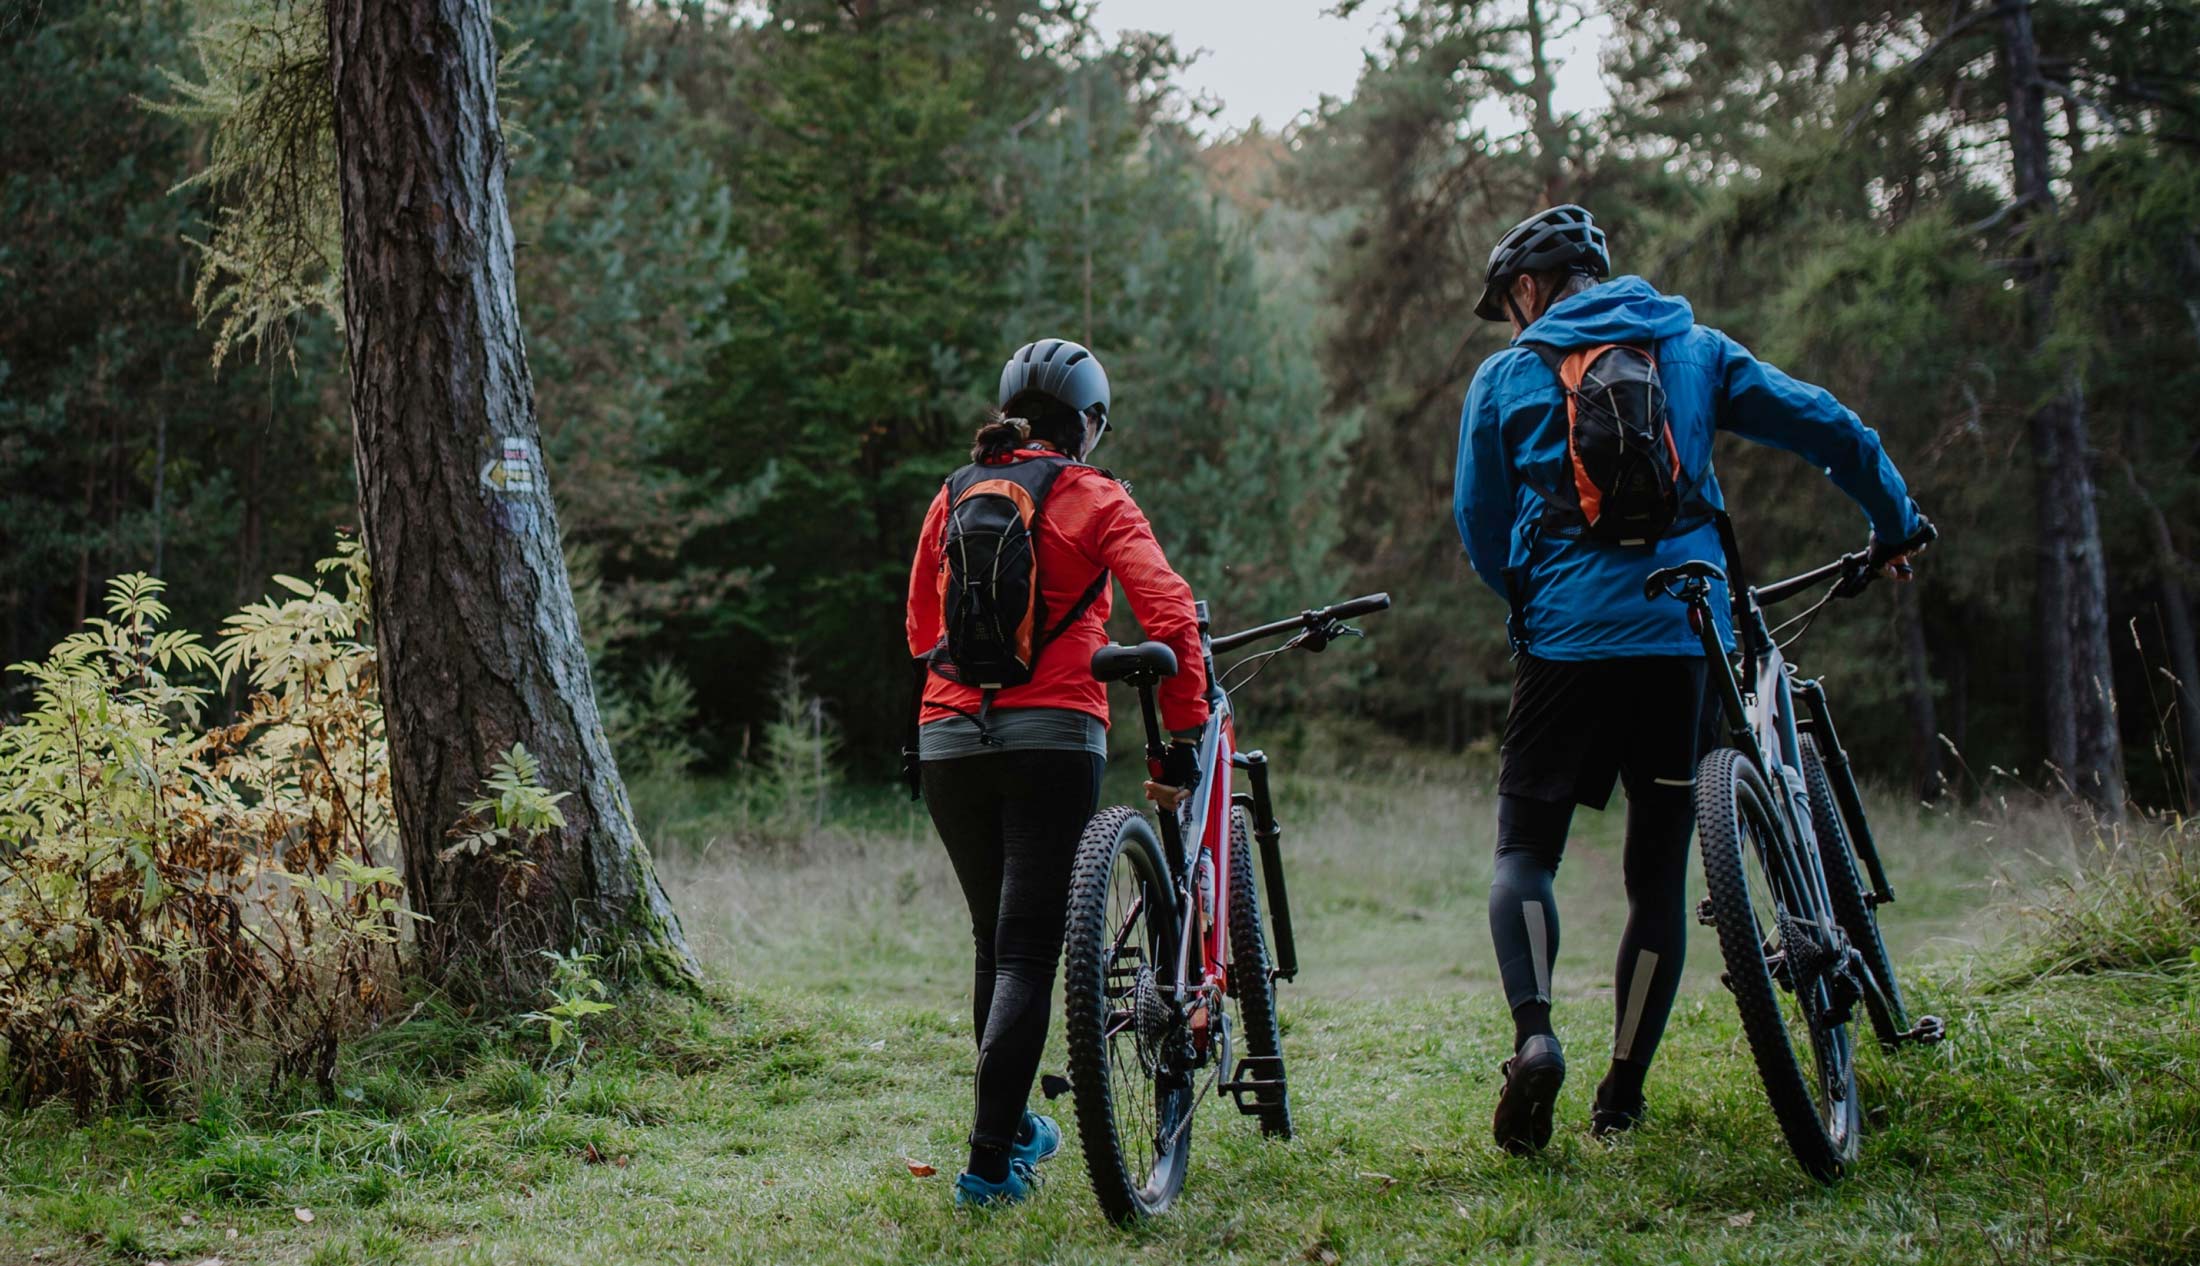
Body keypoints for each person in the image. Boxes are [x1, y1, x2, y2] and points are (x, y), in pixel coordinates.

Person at [1452, 205, 1935, 1154]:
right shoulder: (1693, 347)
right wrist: (1894, 519)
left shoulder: (1508, 376)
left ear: (1526, 291)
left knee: (1525, 854)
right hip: (1688, 637)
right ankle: (1622, 1093)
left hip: (1565, 644)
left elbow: (1478, 520)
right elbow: (1827, 427)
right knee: (1657, 878)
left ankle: (1537, 1034)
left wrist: (1532, 603)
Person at [905, 338, 1209, 1206]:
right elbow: (1170, 615)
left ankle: (1014, 1132)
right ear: (1087, 426)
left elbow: (922, 623)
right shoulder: (1094, 495)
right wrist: (1181, 731)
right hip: (1055, 735)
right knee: (1031, 947)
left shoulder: (953, 494)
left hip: (949, 736)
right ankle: (990, 1163)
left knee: (995, 943)